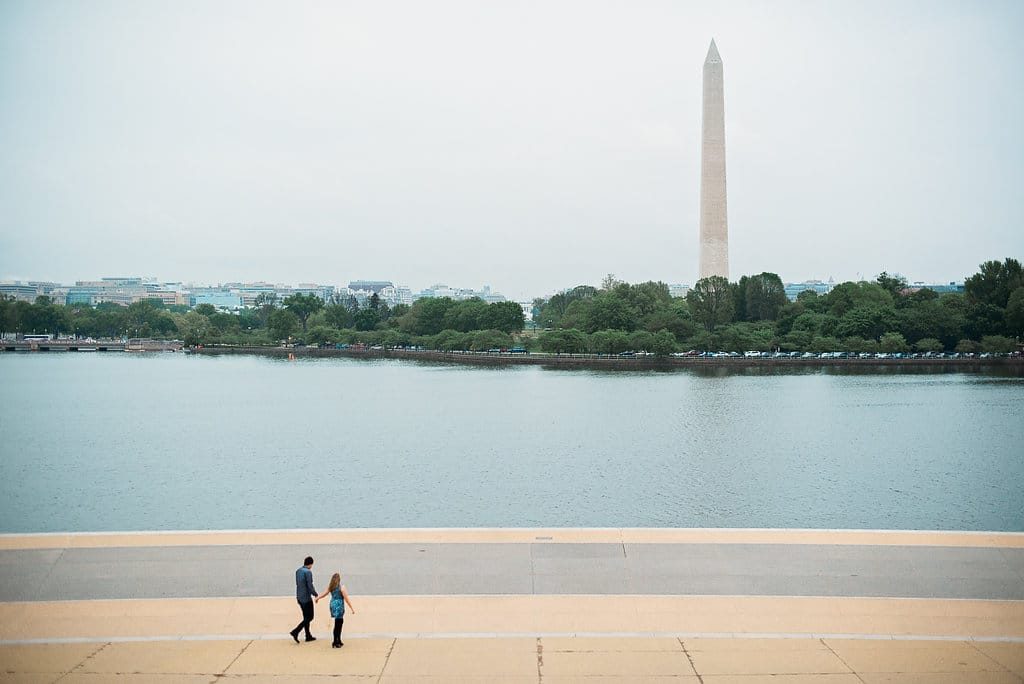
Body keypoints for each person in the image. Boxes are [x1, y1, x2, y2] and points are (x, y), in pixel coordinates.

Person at [316, 571, 356, 648]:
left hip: (333, 604)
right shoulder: (342, 588)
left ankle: (337, 640)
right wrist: (352, 608)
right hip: (339, 605)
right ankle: (336, 641)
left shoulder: (331, 587)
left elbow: (324, 594)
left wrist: (318, 598)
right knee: (339, 624)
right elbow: (346, 599)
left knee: (337, 623)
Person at [289, 556, 318, 643]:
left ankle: (308, 635)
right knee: (310, 617)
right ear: (310, 564)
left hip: (299, 596)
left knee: (306, 617)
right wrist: (315, 594)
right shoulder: (308, 572)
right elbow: (310, 585)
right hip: (306, 598)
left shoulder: (298, 571)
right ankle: (296, 631)